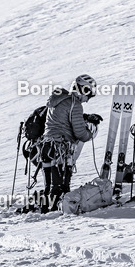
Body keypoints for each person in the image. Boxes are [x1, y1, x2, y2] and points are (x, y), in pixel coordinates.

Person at [40, 74, 99, 212]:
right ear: (82, 90)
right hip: (60, 149)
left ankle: (45, 211)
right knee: (61, 186)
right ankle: (55, 214)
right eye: (88, 94)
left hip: (46, 147)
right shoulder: (75, 104)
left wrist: (83, 117)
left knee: (49, 185)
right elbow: (80, 133)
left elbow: (62, 118)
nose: (87, 99)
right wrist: (91, 133)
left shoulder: (58, 99)